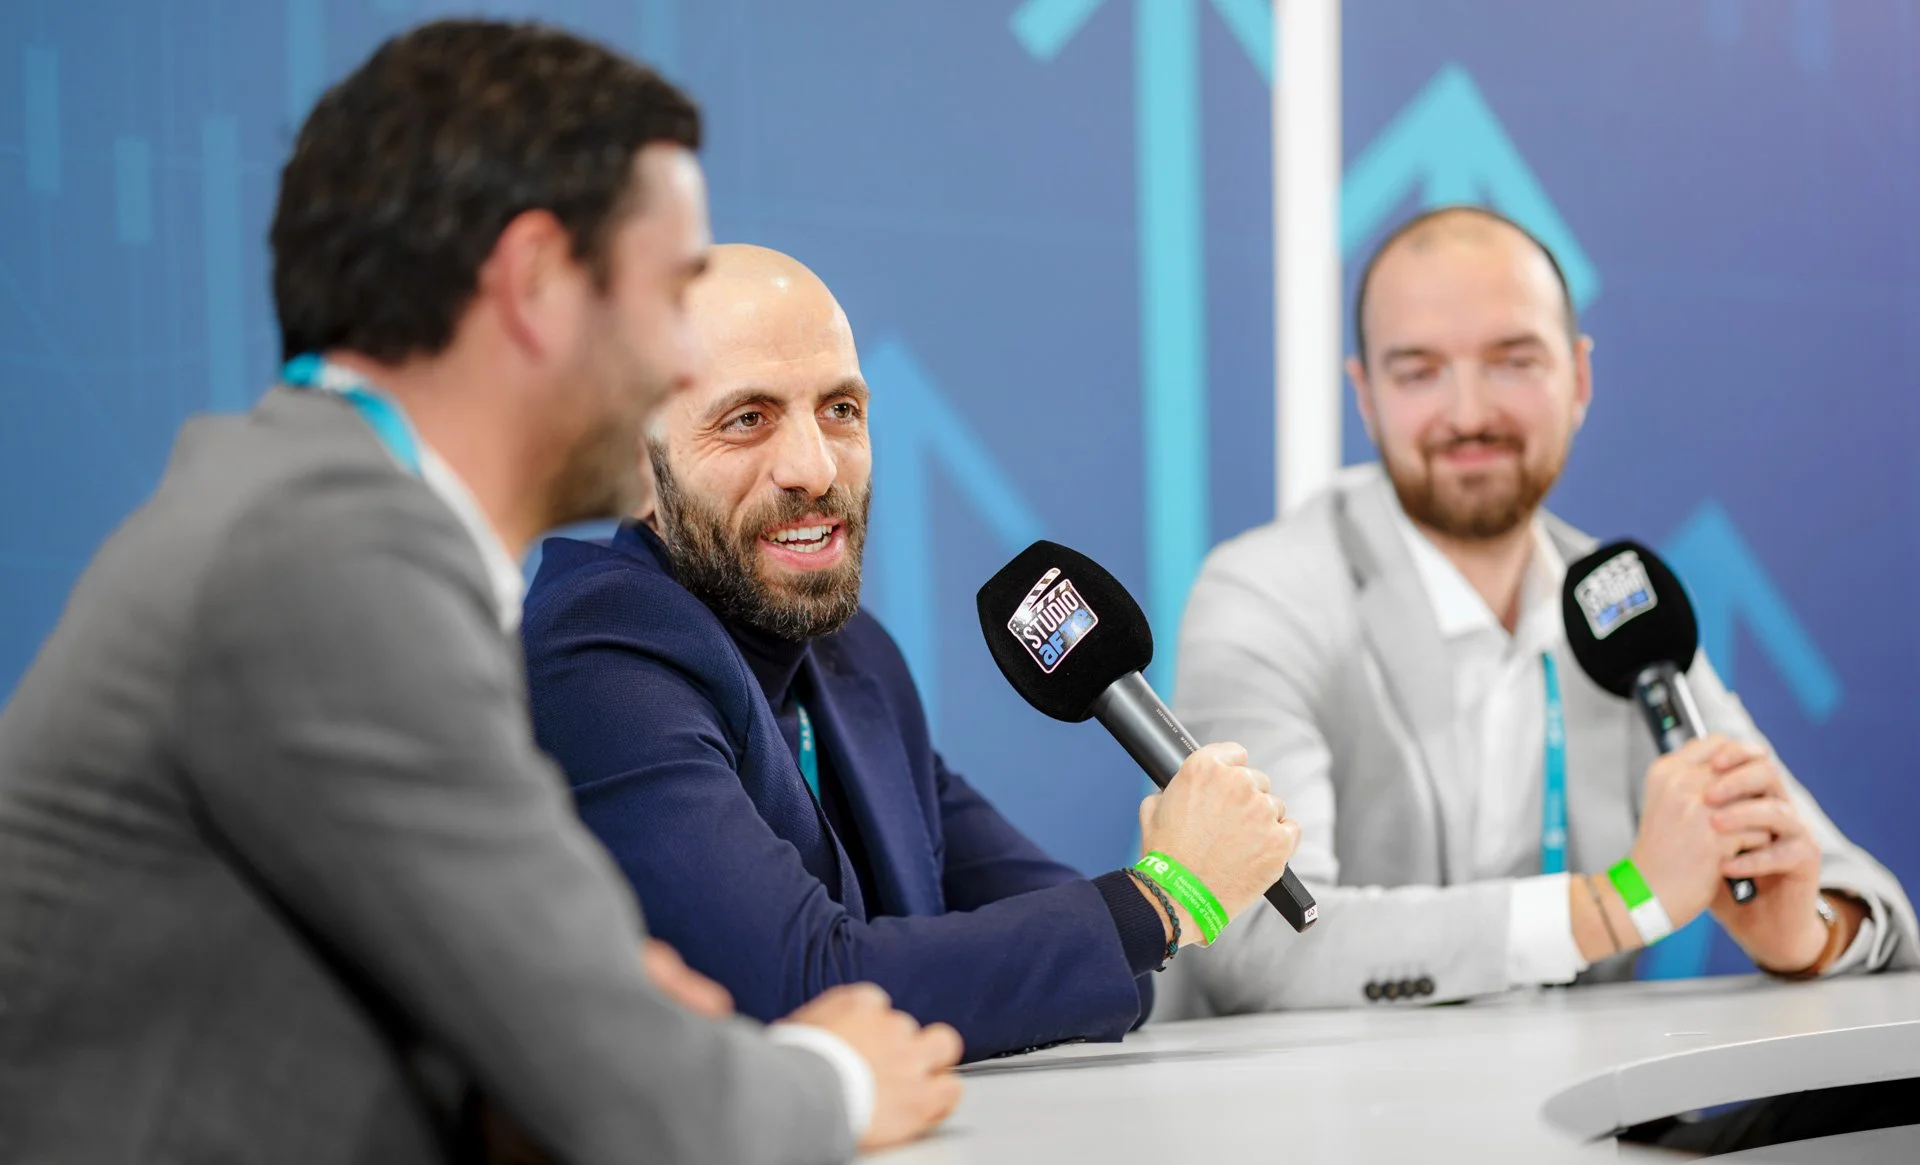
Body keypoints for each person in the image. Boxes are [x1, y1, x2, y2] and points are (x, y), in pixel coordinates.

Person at [0, 23, 960, 1165]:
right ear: (535, 283)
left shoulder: (322, 516)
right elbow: (638, 1101)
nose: (685, 360)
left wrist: (560, 1037)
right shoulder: (329, 564)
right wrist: (839, 1072)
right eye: (668, 294)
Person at [520, 245, 1299, 1062]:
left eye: (840, 410)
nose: (814, 468)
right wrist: (1167, 899)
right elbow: (803, 994)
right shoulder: (597, 651)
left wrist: (1134, 925)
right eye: (746, 419)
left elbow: (1107, 971)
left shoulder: (853, 657)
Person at [1170, 205, 1916, 1014]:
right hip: (1317, 1094)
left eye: (1513, 362)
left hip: (1574, 1092)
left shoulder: (1616, 608)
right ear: (1367, 397)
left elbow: (1870, 909)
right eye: (1419, 372)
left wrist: (1804, 935)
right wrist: (1620, 902)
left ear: (1579, 378)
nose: (1468, 414)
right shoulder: (1265, 594)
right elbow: (1255, 943)